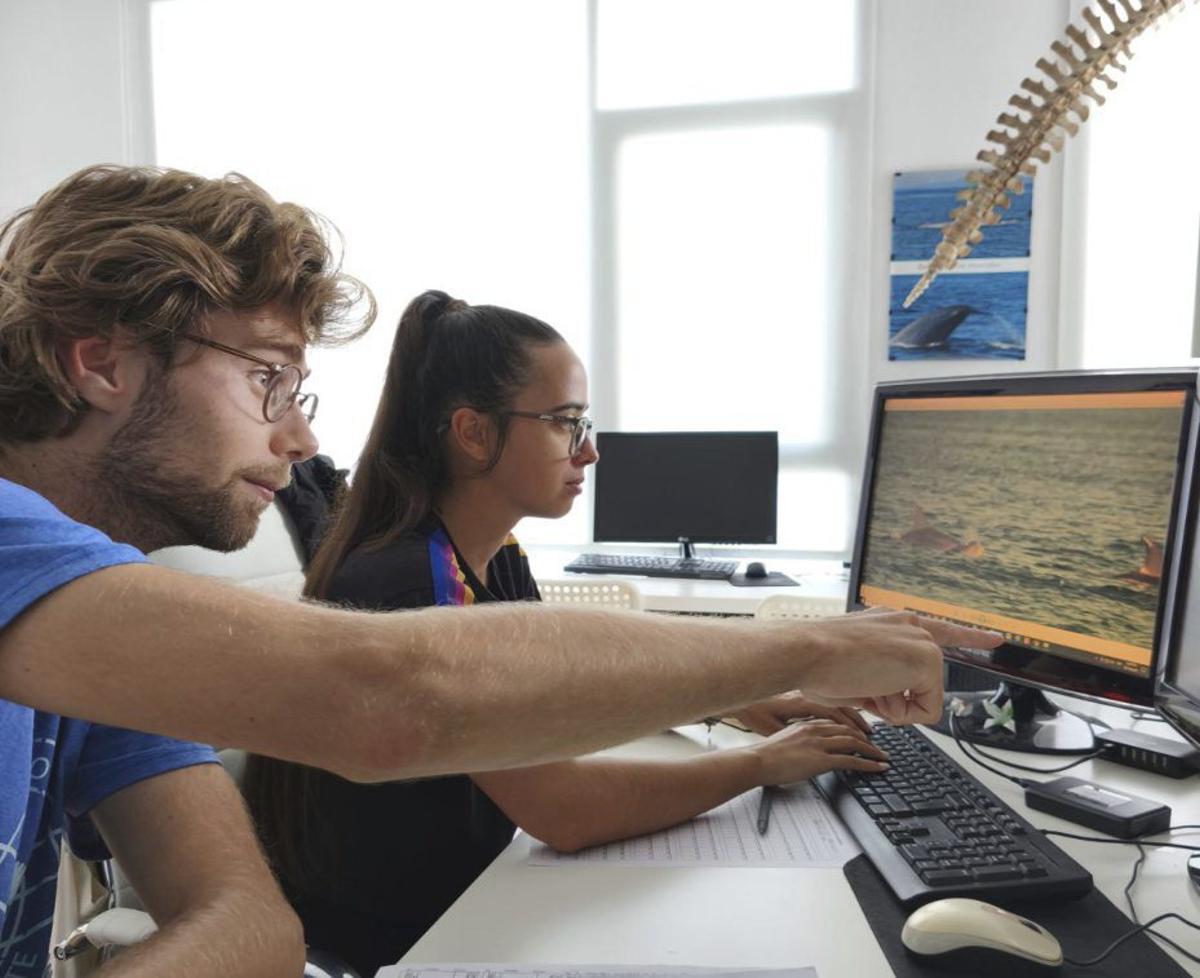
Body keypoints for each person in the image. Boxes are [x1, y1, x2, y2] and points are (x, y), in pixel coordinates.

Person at [0, 165, 1000, 975]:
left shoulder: (98, 636)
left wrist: (752, 699)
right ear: (99, 362)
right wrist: (808, 652)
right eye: (269, 378)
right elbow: (395, 697)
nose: (301, 438)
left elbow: (255, 931)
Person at [244, 291, 896, 975]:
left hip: (477, 895)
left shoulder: (493, 557)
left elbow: (561, 689)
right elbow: (563, 811)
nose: (589, 452)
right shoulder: (413, 584)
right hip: (411, 942)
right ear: (472, 433)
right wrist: (760, 765)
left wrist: (728, 699)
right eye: (565, 423)